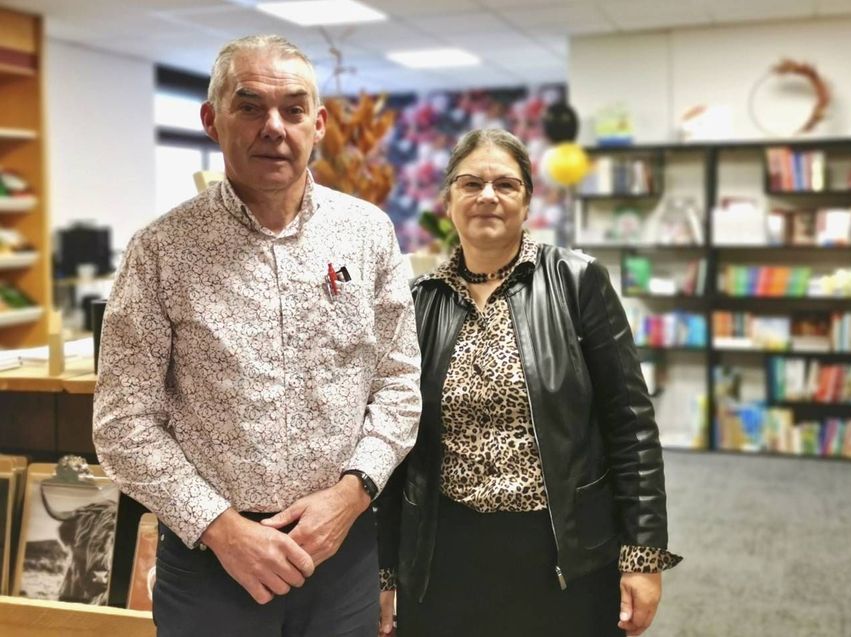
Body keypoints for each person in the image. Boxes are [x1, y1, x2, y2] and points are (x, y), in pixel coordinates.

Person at [92, 35, 421, 637]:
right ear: (212, 120)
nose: (274, 127)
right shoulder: (162, 252)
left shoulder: (368, 236)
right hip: (211, 564)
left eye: (294, 110)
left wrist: (351, 496)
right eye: (250, 107)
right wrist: (219, 526)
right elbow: (121, 421)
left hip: (339, 553)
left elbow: (399, 385)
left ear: (317, 124)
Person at [376, 129, 681, 637]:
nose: (487, 196)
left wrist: (642, 556)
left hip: (562, 551)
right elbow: (396, 447)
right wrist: (385, 569)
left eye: (505, 184)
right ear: (448, 199)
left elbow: (631, 426)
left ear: (528, 200)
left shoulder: (577, 282)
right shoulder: (417, 301)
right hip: (442, 552)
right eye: (471, 183)